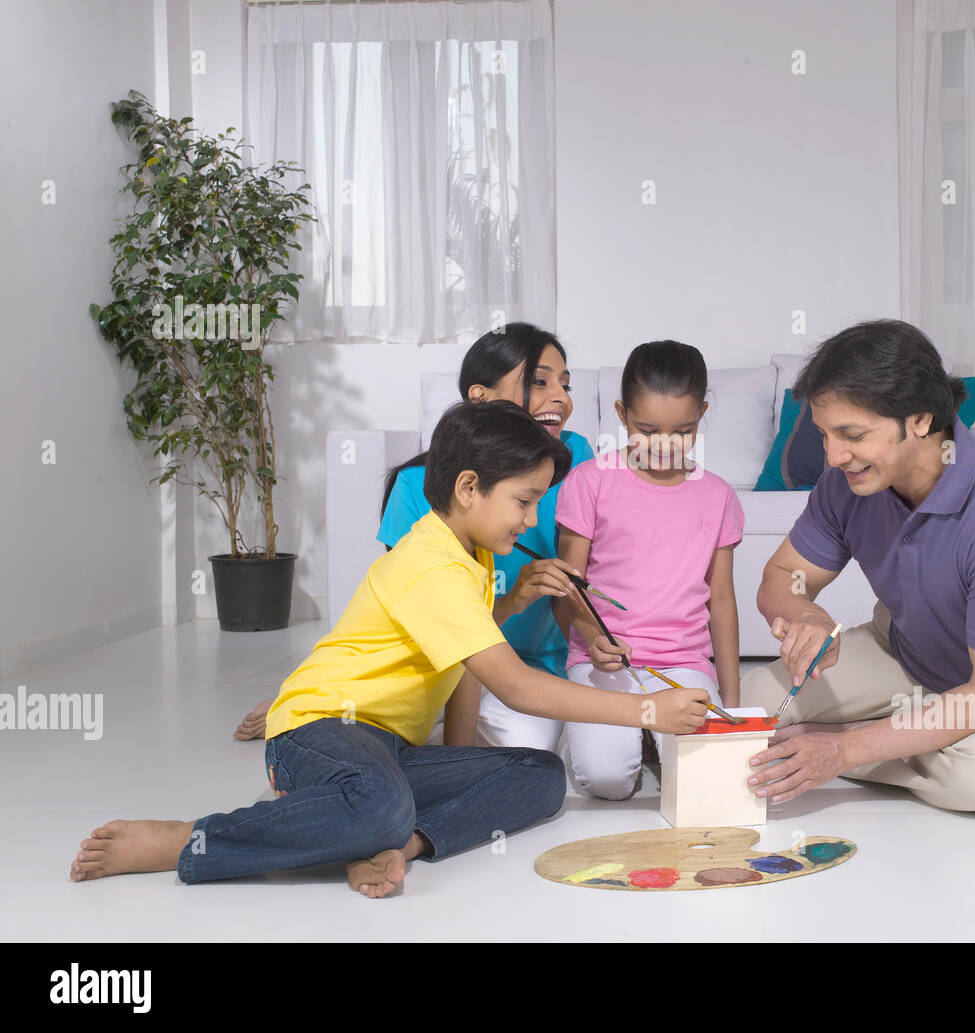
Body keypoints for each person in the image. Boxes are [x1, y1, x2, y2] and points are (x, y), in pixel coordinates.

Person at [72, 401, 708, 895]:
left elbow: (465, 669)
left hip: (388, 747)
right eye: (524, 499)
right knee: (379, 800)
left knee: (538, 776)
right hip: (315, 730)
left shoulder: (473, 553)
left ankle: (396, 843)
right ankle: (190, 840)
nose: (529, 516)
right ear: (467, 488)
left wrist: (465, 765)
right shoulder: (432, 563)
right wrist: (648, 711)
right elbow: (513, 684)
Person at [743, 320, 975, 819]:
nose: (834, 456)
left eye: (853, 435)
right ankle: (897, 742)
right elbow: (782, 576)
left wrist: (843, 749)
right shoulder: (849, 481)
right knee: (754, 702)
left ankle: (842, 742)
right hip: (905, 657)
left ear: (921, 420)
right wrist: (804, 612)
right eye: (824, 435)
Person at [232, 323, 595, 749]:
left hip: (507, 660)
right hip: (432, 664)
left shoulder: (570, 459)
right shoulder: (415, 490)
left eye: (565, 384)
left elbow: (576, 584)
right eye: (539, 381)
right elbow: (420, 618)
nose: (561, 398)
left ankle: (314, 709)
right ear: (480, 398)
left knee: (526, 752)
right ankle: (305, 705)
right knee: (374, 719)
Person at [556, 341, 744, 800]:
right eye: (647, 429)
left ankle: (649, 736)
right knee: (607, 783)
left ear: (701, 415)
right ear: (621, 414)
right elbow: (567, 588)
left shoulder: (717, 495)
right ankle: (601, 738)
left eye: (683, 431)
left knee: (704, 784)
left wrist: (732, 704)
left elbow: (721, 599)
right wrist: (593, 640)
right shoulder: (590, 481)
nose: (664, 445)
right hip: (607, 661)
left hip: (682, 664)